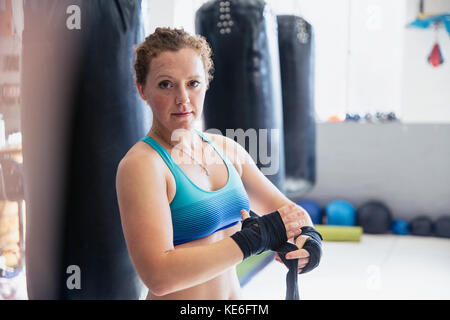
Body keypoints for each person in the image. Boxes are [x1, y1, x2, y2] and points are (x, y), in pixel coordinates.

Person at [116, 27, 314, 300]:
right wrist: (254, 239)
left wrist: (309, 240)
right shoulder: (143, 165)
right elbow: (159, 277)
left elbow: (288, 212)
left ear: (206, 83)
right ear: (142, 90)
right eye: (166, 84)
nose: (182, 98)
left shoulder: (225, 149)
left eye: (193, 83)